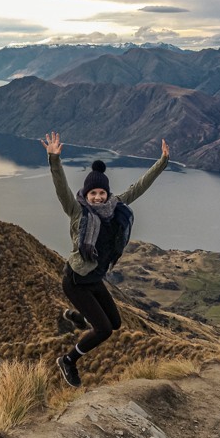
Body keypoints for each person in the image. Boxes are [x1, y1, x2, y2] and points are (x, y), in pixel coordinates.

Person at [41, 132, 169, 387]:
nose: (98, 197)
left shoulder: (114, 206)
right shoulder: (78, 211)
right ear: (86, 195)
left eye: (101, 192)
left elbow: (140, 186)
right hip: (76, 280)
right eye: (93, 193)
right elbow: (61, 188)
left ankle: (79, 317)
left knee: (116, 323)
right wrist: (54, 159)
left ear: (107, 193)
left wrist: (162, 161)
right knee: (104, 330)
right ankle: (68, 360)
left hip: (95, 279)